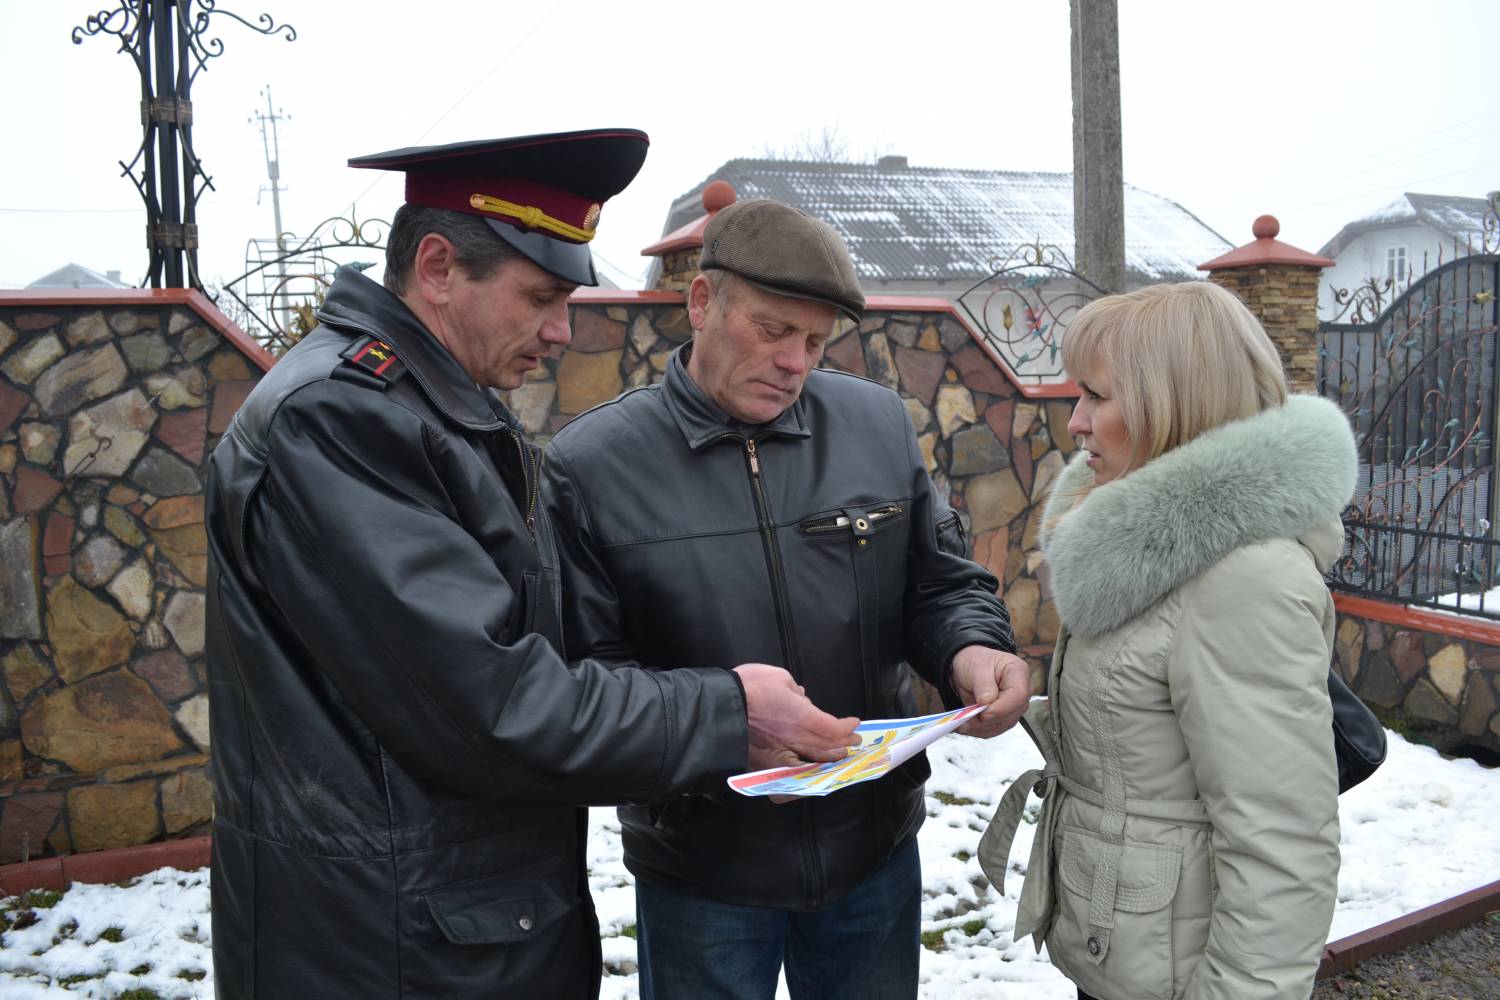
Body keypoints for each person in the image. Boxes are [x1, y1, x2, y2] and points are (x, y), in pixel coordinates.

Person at [203, 131, 859, 1000]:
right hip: (394, 949)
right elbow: (494, 704)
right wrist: (728, 712)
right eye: (542, 295)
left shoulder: (428, 401)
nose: (562, 329)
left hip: (450, 923)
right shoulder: (341, 422)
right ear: (438, 268)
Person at [542, 197, 1031, 1000]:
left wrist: (970, 647)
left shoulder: (875, 423)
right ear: (702, 303)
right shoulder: (592, 465)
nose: (796, 363)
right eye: (773, 331)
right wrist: (727, 719)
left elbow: (939, 585)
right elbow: (585, 683)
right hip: (703, 870)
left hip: (871, 854)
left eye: (815, 340)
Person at [976, 281, 1355, 1000]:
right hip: (1127, 961)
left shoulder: (1242, 579)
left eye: (1096, 396)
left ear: (1173, 403)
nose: (1076, 422)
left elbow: (1281, 845)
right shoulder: (1143, 549)